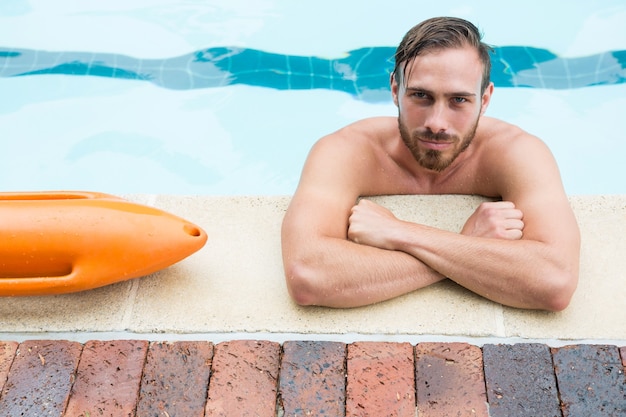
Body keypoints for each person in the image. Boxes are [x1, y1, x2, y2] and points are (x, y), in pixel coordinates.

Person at [281, 17, 580, 311]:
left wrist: (400, 233)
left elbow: (554, 282)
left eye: (459, 100)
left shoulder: (516, 152)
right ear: (396, 91)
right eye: (421, 96)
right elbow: (307, 275)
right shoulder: (347, 151)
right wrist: (468, 245)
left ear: (485, 99)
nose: (437, 123)